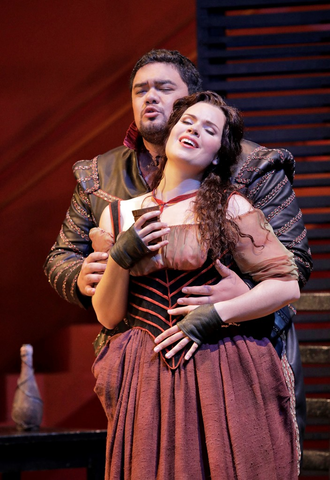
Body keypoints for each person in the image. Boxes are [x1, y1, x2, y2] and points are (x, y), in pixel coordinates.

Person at [43, 49, 312, 449]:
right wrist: (85, 275)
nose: (150, 97)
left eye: (164, 88)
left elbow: (292, 265)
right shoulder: (97, 178)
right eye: (140, 90)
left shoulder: (252, 166)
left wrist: (239, 294)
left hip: (233, 346)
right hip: (141, 358)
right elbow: (61, 258)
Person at [91, 91, 301, 479]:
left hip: (219, 367)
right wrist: (120, 258)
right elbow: (107, 314)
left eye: (209, 129)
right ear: (171, 132)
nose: (194, 130)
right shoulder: (118, 213)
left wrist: (214, 314)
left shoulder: (230, 207)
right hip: (146, 373)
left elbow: (286, 286)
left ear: (218, 153)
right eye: (187, 122)